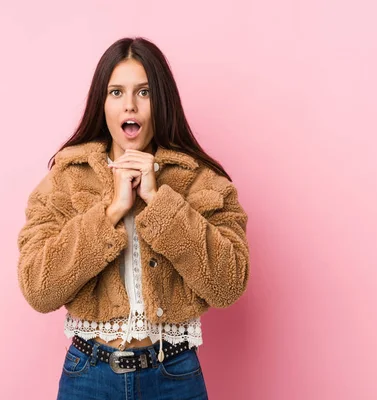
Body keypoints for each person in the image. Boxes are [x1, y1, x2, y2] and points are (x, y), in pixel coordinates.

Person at [16, 37, 250, 400]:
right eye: (116, 92)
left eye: (144, 92)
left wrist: (158, 201)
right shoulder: (66, 178)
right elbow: (39, 288)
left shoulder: (202, 180)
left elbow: (228, 283)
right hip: (89, 376)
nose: (130, 104)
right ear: (102, 103)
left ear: (162, 101)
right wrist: (111, 212)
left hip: (175, 377)